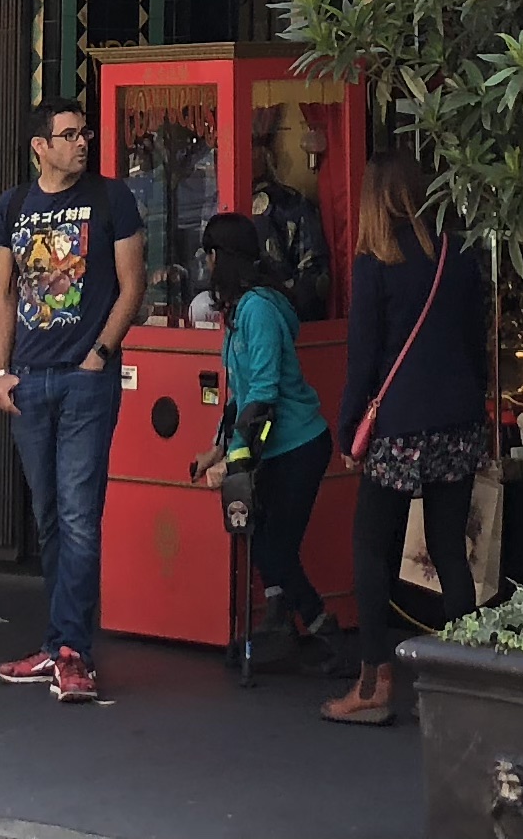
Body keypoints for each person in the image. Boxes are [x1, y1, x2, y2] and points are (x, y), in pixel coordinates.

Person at [0, 100, 147, 707]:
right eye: (70, 135)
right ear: (40, 147)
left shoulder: (111, 199)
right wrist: (0, 373)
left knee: (79, 517)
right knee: (50, 517)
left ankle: (74, 652)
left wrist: (99, 356)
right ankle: (58, 646)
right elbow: (4, 294)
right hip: (29, 382)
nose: (83, 143)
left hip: (85, 383)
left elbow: (133, 284)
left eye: (86, 133)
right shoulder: (12, 207)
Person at [328, 154, 492, 728]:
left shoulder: (376, 261)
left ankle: (373, 682)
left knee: (372, 549)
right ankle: (465, 678)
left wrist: (348, 429)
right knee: (450, 549)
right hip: (458, 419)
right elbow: (477, 341)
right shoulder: (457, 251)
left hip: (399, 424)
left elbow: (363, 360)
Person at [200, 209, 332, 672]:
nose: (205, 264)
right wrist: (218, 447)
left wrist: (236, 461)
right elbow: (239, 394)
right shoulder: (239, 310)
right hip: (276, 446)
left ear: (222, 257)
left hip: (299, 445)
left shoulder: (257, 310)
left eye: (208, 254)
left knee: (275, 547)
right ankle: (283, 626)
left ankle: (326, 633)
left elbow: (263, 394)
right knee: (264, 539)